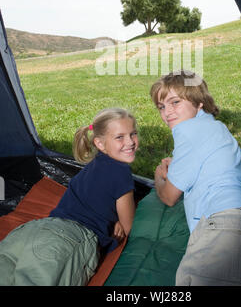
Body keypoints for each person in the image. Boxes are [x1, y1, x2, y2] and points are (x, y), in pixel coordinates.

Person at [151, 70, 241, 286]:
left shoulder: (187, 129)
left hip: (228, 228)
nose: (167, 112)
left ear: (198, 102)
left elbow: (169, 196)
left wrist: (159, 176)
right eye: (161, 107)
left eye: (175, 102)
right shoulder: (214, 128)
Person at [0, 107, 138, 286]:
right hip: (67, 240)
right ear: (100, 144)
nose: (130, 142)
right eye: (120, 137)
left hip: (34, 231)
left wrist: (117, 219)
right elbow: (130, 227)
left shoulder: (94, 165)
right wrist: (121, 220)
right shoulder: (121, 171)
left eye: (133, 134)